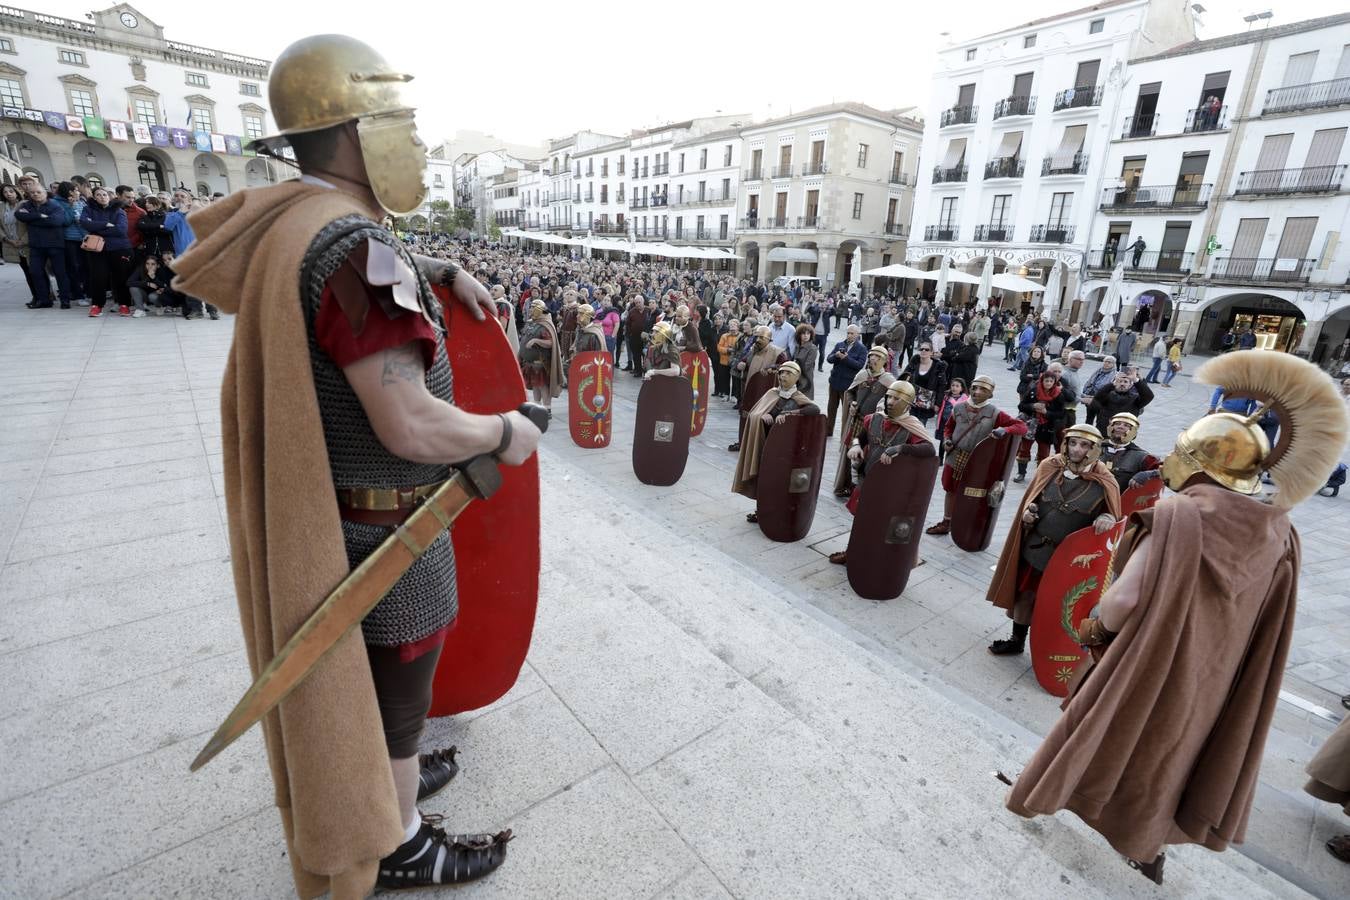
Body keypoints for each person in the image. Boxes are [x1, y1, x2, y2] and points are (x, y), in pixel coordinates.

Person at [169, 34, 538, 894]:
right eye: (395, 117)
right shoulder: (351, 251)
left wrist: (439, 268)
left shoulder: (301, 221)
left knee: (374, 680)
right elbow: (408, 421)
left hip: (340, 511)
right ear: (349, 132)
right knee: (400, 681)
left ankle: (381, 780)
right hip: (386, 531)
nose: (410, 135)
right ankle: (401, 837)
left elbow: (361, 273)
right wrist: (499, 432)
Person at [1006, 350, 1348, 884]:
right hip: (1218, 678)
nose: (1170, 458)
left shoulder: (1180, 515)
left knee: (1104, 736)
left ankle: (1047, 798)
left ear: (1200, 461)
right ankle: (1148, 848)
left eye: (1182, 449)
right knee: (1177, 758)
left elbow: (1122, 603)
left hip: (1147, 661)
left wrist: (1094, 631)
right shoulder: (1281, 532)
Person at [986, 424, 1122, 655]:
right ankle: (1017, 640)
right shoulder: (1051, 466)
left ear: (1094, 449)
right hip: (1037, 549)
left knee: (1058, 604)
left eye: (1084, 445)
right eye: (1072, 443)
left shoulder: (1105, 481)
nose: (1076, 449)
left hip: (1070, 561)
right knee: (1025, 597)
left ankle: (1049, 650)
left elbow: (1114, 520)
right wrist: (1028, 514)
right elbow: (1033, 498)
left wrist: (1108, 517)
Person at [828, 381, 936, 564]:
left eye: (896, 398)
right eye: (889, 397)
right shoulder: (874, 418)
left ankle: (874, 555)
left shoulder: (911, 425)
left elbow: (929, 449)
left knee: (882, 521)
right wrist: (855, 447)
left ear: (907, 403)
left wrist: (900, 448)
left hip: (892, 485)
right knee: (860, 517)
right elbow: (859, 437)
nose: (891, 401)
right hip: (868, 477)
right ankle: (851, 551)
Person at [926, 375, 1027, 536]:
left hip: (976, 461)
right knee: (950, 490)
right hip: (955, 457)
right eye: (974, 388)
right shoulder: (958, 408)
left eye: (982, 389)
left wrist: (1005, 430)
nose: (977, 392)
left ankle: (964, 523)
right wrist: (947, 440)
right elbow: (949, 427)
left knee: (970, 492)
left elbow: (1021, 427)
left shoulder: (995, 413)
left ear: (990, 394)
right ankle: (947, 521)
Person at [732, 361, 820, 522]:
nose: (783, 376)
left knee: (777, 481)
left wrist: (789, 413)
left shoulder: (796, 396)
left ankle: (775, 512)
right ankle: (761, 512)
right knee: (763, 479)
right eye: (781, 373)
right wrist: (763, 416)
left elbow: (814, 409)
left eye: (788, 374)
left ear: (796, 378)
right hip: (763, 443)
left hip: (782, 448)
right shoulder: (772, 393)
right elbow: (755, 414)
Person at [832, 346, 894, 497]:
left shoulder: (889, 380)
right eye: (872, 356)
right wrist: (852, 403)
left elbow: (890, 400)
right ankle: (844, 484)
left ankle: (859, 489)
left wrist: (880, 409)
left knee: (866, 455)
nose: (873, 359)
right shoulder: (862, 374)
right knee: (850, 451)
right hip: (857, 421)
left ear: (884, 361)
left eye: (878, 358)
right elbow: (850, 393)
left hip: (872, 425)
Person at [79, 187, 135, 318]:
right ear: (94, 197)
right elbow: (84, 223)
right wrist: (106, 224)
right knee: (98, 277)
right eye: (98, 195)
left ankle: (124, 304)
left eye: (104, 194)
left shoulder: (119, 211)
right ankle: (97, 305)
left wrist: (96, 228)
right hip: (97, 249)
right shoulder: (88, 209)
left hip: (120, 248)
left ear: (109, 197)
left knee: (120, 277)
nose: (102, 197)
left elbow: (121, 230)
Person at [14, 184, 73, 309]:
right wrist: (39, 216)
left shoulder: (54, 205)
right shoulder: (26, 205)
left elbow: (56, 221)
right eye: (32, 192)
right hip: (36, 245)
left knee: (60, 273)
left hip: (55, 245)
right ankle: (44, 300)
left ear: (45, 193)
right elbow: (19, 215)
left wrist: (32, 219)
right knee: (35, 272)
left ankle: (65, 299)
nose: (35, 194)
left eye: (38, 192)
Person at [1014, 370, 1069, 482]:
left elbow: (1061, 413)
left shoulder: (1058, 395)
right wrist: (1033, 406)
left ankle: (1040, 476)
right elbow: (1021, 405)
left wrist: (1046, 413)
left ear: (1054, 382)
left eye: (1051, 381)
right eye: (1046, 380)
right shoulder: (1034, 391)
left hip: (1047, 427)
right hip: (1031, 425)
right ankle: (1021, 473)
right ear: (1042, 381)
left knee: (1044, 453)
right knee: (1024, 449)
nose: (1048, 383)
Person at [519, 299, 563, 410]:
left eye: (534, 307)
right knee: (535, 385)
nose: (531, 309)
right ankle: (537, 407)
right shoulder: (531, 323)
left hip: (541, 362)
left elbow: (550, 343)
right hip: (530, 362)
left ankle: (547, 409)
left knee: (543, 386)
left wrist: (536, 341)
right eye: (531, 307)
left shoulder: (545, 325)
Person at [1100, 412, 1160, 493]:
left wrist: (1147, 474)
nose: (1121, 427)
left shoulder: (1141, 456)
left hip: (1118, 501)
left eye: (1126, 425)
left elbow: (1165, 471)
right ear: (1110, 427)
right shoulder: (1092, 447)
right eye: (1117, 423)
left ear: (1133, 431)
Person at [826, 324, 867, 435]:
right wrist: (836, 356)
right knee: (831, 408)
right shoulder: (840, 344)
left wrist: (846, 358)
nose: (849, 335)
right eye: (848, 333)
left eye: (852, 333)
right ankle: (829, 430)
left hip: (848, 386)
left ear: (857, 334)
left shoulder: (862, 349)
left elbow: (859, 365)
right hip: (834, 382)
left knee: (846, 412)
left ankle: (845, 434)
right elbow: (829, 359)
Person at [1, 183, 37, 303]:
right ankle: (35, 296)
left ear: (16, 192)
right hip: (11, 243)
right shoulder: (1, 207)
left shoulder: (25, 204)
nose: (8, 194)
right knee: (27, 272)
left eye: (11, 191)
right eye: (5, 192)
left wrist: (22, 240)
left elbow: (31, 225)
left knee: (36, 271)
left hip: (27, 243)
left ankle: (45, 295)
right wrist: (6, 239)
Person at [1087, 369, 1154, 433]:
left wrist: (1136, 380)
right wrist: (1112, 384)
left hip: (1124, 437)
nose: (1122, 384)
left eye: (1125, 382)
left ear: (1130, 385)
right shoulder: (1107, 396)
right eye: (1120, 381)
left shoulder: (1135, 399)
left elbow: (1149, 396)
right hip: (1104, 434)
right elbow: (1098, 397)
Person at [901, 339, 947, 426]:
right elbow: (903, 378)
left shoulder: (938, 367)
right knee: (906, 426)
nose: (923, 351)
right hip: (911, 401)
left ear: (931, 352)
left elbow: (942, 386)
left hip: (926, 404)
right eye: (921, 349)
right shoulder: (913, 363)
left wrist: (938, 403)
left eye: (926, 349)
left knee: (920, 427)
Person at [715, 319, 739, 399]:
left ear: (738, 326)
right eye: (730, 325)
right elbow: (719, 347)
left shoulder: (740, 336)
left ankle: (734, 395)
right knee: (725, 378)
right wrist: (727, 350)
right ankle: (726, 394)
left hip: (735, 362)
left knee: (735, 379)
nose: (732, 326)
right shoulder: (724, 336)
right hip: (724, 360)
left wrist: (734, 350)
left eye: (734, 325)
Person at [792, 322, 818, 397]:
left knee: (803, 402)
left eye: (808, 333)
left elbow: (807, 366)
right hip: (795, 378)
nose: (806, 336)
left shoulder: (812, 348)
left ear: (811, 335)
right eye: (803, 333)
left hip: (805, 379)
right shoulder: (797, 346)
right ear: (799, 335)